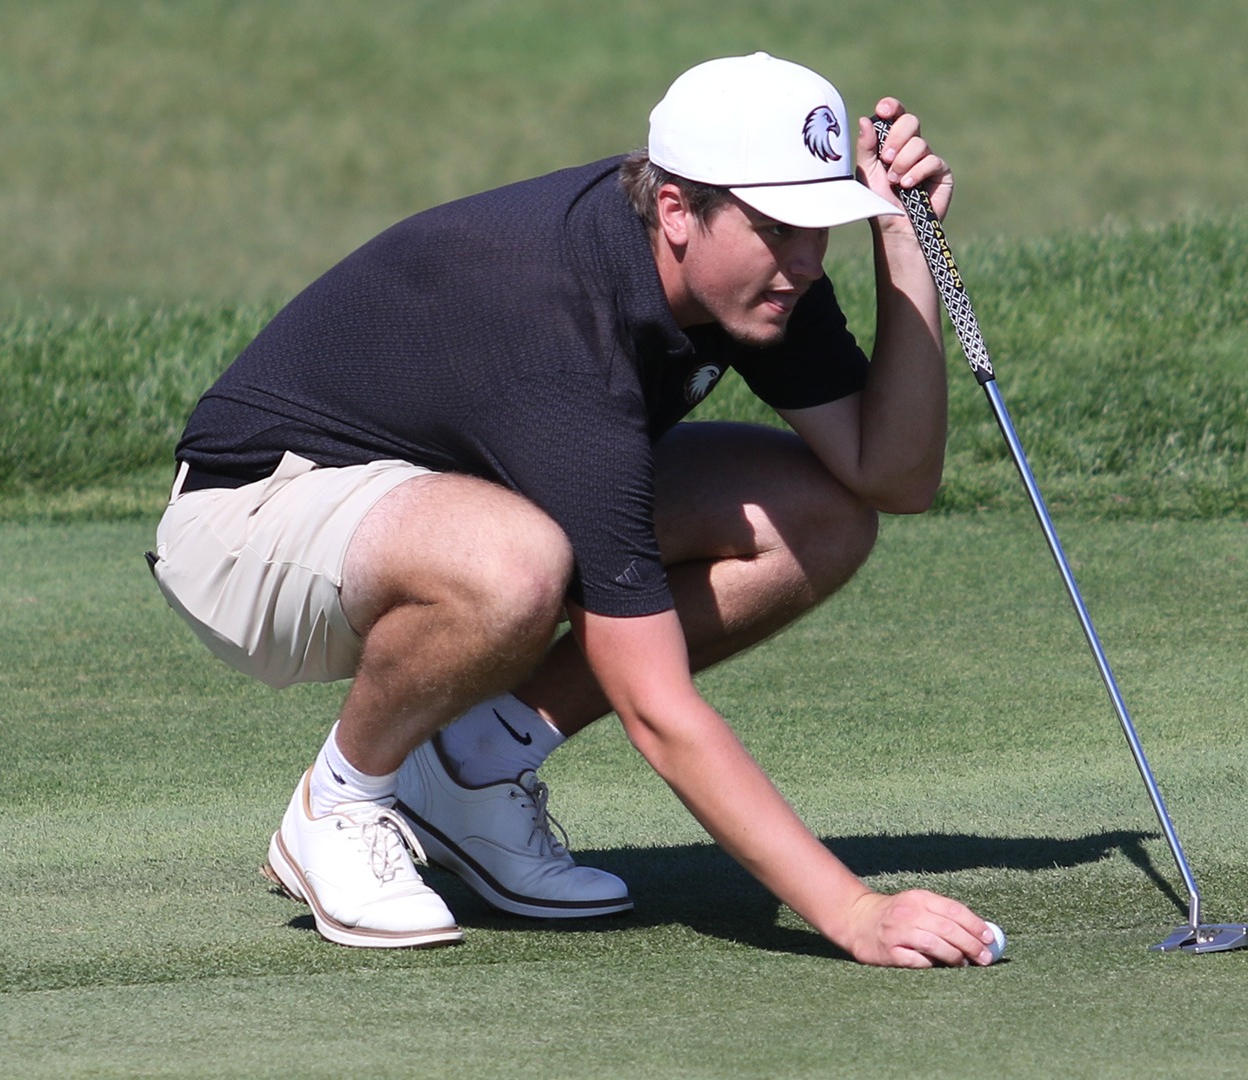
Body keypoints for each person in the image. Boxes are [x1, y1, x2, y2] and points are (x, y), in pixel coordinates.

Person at [150, 52, 998, 968]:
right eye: (776, 227)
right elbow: (657, 705)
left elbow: (892, 476)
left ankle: (470, 769)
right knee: (515, 565)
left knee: (818, 515)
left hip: (443, 501)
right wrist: (854, 912)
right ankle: (342, 800)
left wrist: (905, 244)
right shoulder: (561, 320)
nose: (801, 262)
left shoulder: (753, 280)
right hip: (250, 519)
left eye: (819, 227)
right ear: (677, 209)